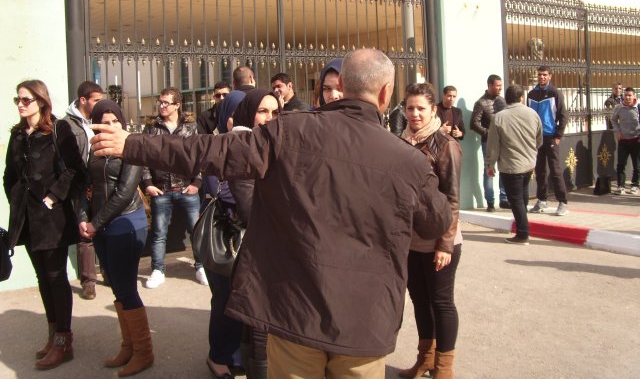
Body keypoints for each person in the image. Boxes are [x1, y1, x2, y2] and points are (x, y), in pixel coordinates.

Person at [91, 48, 452, 378]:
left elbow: (207, 151)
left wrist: (132, 143)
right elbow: (436, 220)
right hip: (363, 323)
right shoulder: (408, 161)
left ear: (340, 85)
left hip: (295, 312)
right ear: (387, 93)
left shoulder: (290, 131)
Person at [3, 79, 86, 370]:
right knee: (42, 277)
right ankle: (53, 335)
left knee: (55, 276)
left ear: (41, 101)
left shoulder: (58, 129)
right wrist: (16, 201)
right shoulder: (17, 135)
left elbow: (76, 169)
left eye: (26, 99)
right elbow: (9, 176)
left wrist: (53, 197)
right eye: (17, 99)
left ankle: (64, 341)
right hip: (26, 219)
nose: (20, 104)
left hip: (52, 219)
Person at [78, 99, 153, 376]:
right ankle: (128, 346)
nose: (110, 127)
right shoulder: (94, 150)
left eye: (115, 122)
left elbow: (124, 193)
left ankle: (144, 352)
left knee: (126, 288)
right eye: (104, 122)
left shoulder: (131, 148)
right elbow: (85, 187)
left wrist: (94, 224)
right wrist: (82, 218)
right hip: (100, 227)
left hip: (126, 222)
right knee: (117, 288)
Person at [399, 83, 462, 379]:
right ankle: (425, 358)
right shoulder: (402, 141)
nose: (415, 114)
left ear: (433, 109)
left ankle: (444, 368)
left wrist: (445, 244)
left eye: (421, 108)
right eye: (410, 108)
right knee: (419, 300)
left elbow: (452, 198)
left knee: (441, 302)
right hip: (411, 239)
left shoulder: (445, 145)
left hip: (440, 240)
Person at [224, 89, 281, 379]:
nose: (269, 118)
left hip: (276, 251)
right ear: (249, 114)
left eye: (275, 112)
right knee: (261, 328)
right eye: (262, 111)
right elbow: (249, 208)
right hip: (259, 253)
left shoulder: (275, 145)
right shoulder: (243, 149)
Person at [202, 90, 247, 379]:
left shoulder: (257, 145)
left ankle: (238, 355)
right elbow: (221, 191)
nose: (237, 119)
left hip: (250, 235)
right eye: (233, 114)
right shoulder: (215, 146)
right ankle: (218, 356)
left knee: (245, 299)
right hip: (224, 236)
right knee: (224, 298)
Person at [142, 87, 205, 289]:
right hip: (161, 189)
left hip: (187, 187)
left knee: (196, 231)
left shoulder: (190, 126)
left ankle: (201, 266)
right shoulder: (152, 128)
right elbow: (143, 158)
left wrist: (197, 183)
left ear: (177, 105)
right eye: (160, 102)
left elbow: (201, 155)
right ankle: (158, 270)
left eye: (165, 103)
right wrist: (148, 184)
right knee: (159, 233)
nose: (161, 106)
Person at [61, 80, 103, 301]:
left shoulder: (101, 119)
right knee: (85, 232)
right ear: (83, 100)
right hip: (80, 185)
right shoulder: (66, 124)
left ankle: (109, 272)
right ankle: (88, 282)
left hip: (101, 181)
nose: (100, 104)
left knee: (105, 226)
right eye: (96, 100)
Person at [486, 85, 543, 245]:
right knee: (522, 195)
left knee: (516, 200)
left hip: (511, 166)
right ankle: (522, 225)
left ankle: (523, 233)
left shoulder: (499, 117)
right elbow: (539, 138)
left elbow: (493, 145)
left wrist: (490, 164)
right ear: (521, 98)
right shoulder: (532, 113)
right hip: (529, 163)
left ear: (506, 99)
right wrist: (531, 152)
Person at [527, 65, 570, 216]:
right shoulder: (531, 94)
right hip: (536, 138)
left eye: (545, 75)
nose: (542, 77)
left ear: (550, 76)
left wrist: (558, 135)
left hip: (551, 137)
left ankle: (562, 202)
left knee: (555, 170)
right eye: (540, 75)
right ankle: (542, 200)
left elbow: (563, 115)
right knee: (539, 170)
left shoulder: (555, 93)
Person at [470, 74, 509, 211]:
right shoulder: (481, 103)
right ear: (490, 85)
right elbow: (474, 123)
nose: (500, 88)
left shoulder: (502, 101)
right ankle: (490, 202)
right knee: (489, 171)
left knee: (504, 169)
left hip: (503, 141)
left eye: (501, 86)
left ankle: (504, 199)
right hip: (488, 142)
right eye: (498, 86)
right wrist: (489, 133)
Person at [610, 87, 640, 195]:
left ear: (634, 96)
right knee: (621, 164)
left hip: (636, 140)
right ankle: (621, 186)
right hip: (623, 140)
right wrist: (618, 131)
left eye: (630, 95)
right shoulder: (619, 107)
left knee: (637, 165)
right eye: (626, 95)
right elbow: (613, 119)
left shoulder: (638, 107)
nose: (627, 97)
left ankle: (635, 185)